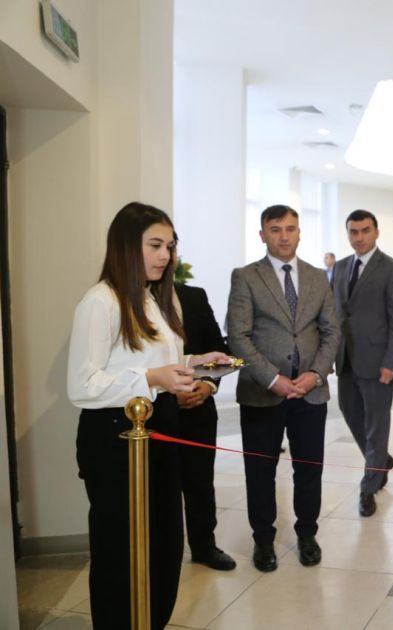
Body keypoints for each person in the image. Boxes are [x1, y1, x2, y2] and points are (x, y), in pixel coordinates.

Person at [67, 202, 230, 629]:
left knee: (163, 547)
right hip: (116, 439)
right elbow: (83, 385)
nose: (165, 256)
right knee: (121, 554)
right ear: (125, 245)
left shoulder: (151, 298)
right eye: (155, 245)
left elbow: (148, 361)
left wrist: (196, 362)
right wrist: (153, 378)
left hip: (158, 433)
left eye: (170, 246)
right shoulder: (100, 301)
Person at [226, 204, 339, 571]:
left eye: (290, 228)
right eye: (275, 229)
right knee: (260, 471)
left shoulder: (317, 277)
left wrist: (316, 374)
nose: (284, 236)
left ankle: (307, 534)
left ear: (300, 232)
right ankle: (263, 540)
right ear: (263, 235)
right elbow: (238, 337)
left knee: (309, 469)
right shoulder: (246, 277)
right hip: (262, 393)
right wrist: (274, 379)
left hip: (310, 392)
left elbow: (331, 332)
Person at [333, 209, 393, 517]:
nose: (359, 237)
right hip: (345, 359)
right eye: (354, 231)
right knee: (350, 413)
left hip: (378, 362)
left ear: (376, 232)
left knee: (377, 426)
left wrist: (392, 362)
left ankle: (369, 487)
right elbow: (335, 315)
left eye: (365, 230)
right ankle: (381, 461)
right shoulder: (340, 267)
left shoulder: (392, 268)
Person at [173, 239, 236, 571]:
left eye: (170, 248)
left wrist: (207, 385)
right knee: (162, 487)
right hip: (158, 412)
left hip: (198, 409)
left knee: (199, 482)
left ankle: (204, 546)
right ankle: (164, 550)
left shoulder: (193, 297)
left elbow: (220, 351)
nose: (165, 255)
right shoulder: (132, 302)